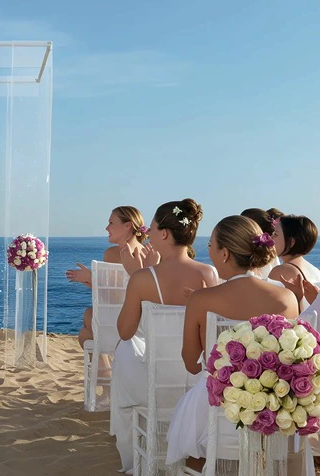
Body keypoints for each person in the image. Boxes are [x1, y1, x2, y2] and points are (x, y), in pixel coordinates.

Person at [166, 215, 298, 469]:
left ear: (224, 253)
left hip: (217, 405)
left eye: (211, 246)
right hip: (271, 407)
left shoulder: (201, 299)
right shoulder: (286, 298)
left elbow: (191, 364)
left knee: (193, 445)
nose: (210, 253)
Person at [109, 199, 218, 472]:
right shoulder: (209, 273)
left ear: (165, 234)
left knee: (124, 347)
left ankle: (134, 454)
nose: (149, 234)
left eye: (154, 229)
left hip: (156, 382)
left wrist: (135, 276)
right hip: (197, 382)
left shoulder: (144, 278)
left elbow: (125, 330)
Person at [68, 206, 148, 347]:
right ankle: (107, 367)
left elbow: (113, 299)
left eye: (111, 223)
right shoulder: (146, 252)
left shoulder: (113, 253)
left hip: (123, 323)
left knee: (87, 321)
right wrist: (89, 280)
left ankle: (105, 368)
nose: (106, 228)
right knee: (85, 334)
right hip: (143, 323)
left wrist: (92, 277)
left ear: (127, 225)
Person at [266, 214, 320, 310]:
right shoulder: (315, 270)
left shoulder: (282, 271)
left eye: (275, 234)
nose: (271, 238)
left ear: (291, 242)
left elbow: (266, 309)